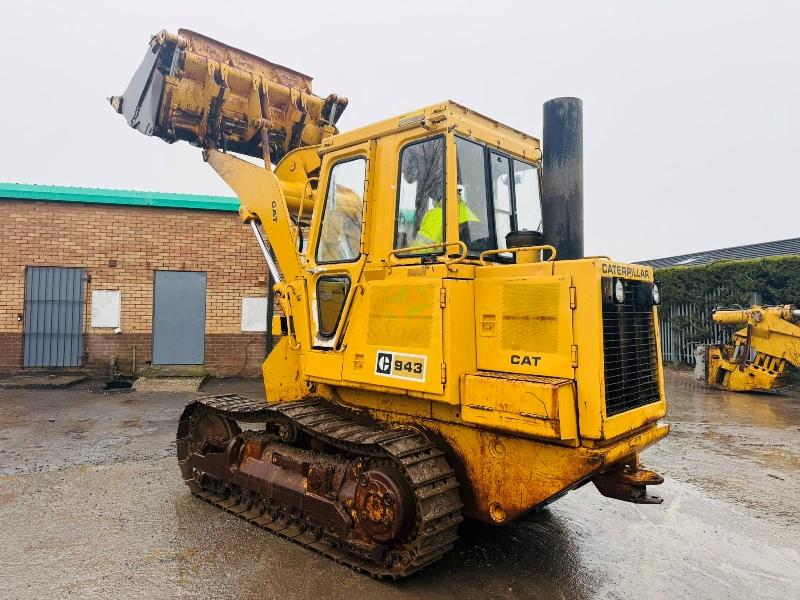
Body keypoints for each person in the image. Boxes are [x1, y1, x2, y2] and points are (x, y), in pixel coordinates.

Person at [413, 185, 479, 246]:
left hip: (456, 256)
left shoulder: (436, 214)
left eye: (432, 196)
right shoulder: (467, 212)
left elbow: (421, 249)